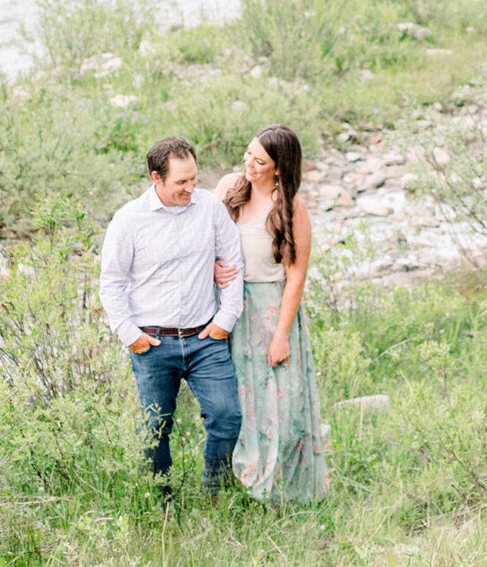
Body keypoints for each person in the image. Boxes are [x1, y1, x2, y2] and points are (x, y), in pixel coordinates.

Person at [100, 134, 244, 497]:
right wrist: (128, 333)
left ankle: (217, 493)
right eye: (181, 181)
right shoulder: (129, 220)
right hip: (152, 341)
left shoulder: (210, 207)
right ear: (156, 178)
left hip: (205, 338)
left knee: (227, 417)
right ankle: (161, 503)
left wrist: (225, 321)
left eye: (194, 178)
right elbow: (112, 282)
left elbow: (233, 264)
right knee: (155, 428)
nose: (190, 188)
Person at [214, 126, 329, 504]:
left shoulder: (291, 207)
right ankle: (239, 480)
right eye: (248, 153)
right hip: (230, 309)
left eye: (260, 161)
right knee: (237, 401)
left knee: (280, 401)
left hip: (272, 311)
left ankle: (280, 488)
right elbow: (203, 239)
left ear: (279, 168)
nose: (249, 163)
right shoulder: (230, 188)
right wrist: (213, 267)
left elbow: (296, 275)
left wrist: (281, 334)